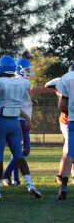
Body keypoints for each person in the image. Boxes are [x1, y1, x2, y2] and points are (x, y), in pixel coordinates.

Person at [0, 55, 41, 199]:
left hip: (1, 122)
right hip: (15, 123)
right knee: (18, 156)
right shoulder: (21, 83)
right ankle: (30, 185)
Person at [2, 58, 33, 186]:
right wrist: (26, 117)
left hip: (21, 119)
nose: (29, 72)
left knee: (17, 150)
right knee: (24, 150)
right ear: (19, 70)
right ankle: (6, 175)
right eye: (26, 69)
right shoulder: (19, 82)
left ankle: (15, 178)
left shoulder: (20, 82)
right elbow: (15, 103)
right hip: (20, 120)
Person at [46, 78, 74, 187]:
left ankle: (63, 175)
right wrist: (61, 80)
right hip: (67, 121)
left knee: (69, 149)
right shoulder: (65, 83)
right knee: (69, 149)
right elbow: (48, 84)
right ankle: (61, 176)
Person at [55, 64, 74, 200]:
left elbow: (62, 105)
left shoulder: (66, 78)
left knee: (70, 154)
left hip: (72, 120)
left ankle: (63, 188)